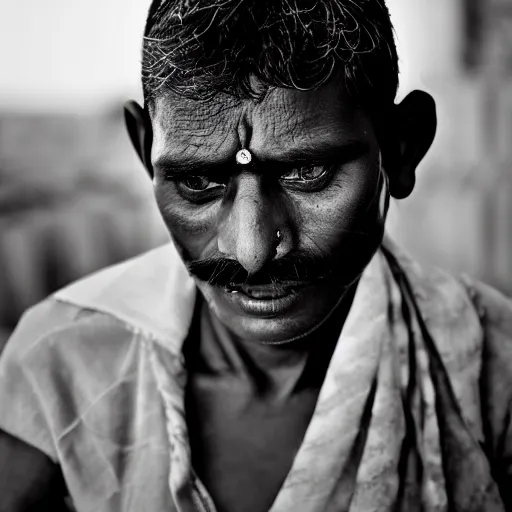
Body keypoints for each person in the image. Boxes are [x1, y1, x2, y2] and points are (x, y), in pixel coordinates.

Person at [0, 0, 511, 511]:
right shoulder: (64, 365)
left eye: (307, 172)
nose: (250, 251)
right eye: (198, 181)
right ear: (144, 151)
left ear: (401, 148)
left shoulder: (491, 362)